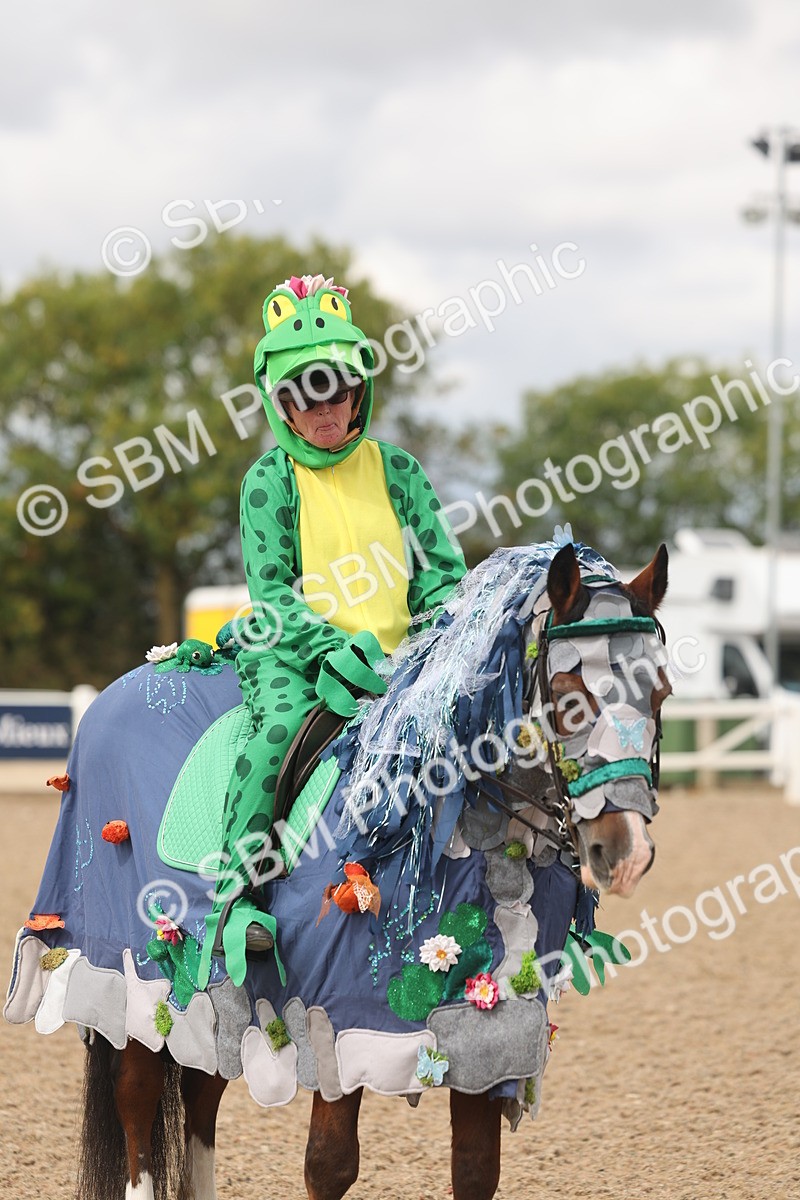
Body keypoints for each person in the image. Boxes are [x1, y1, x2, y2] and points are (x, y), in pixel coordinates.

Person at [199, 273, 466, 987]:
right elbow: (273, 593)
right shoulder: (268, 480)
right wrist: (332, 648)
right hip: (292, 654)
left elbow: (441, 572)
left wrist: (435, 638)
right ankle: (238, 901)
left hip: (399, 661)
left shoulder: (400, 470)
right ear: (280, 402)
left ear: (357, 393)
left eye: (335, 394)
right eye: (303, 397)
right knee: (279, 732)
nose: (322, 411)